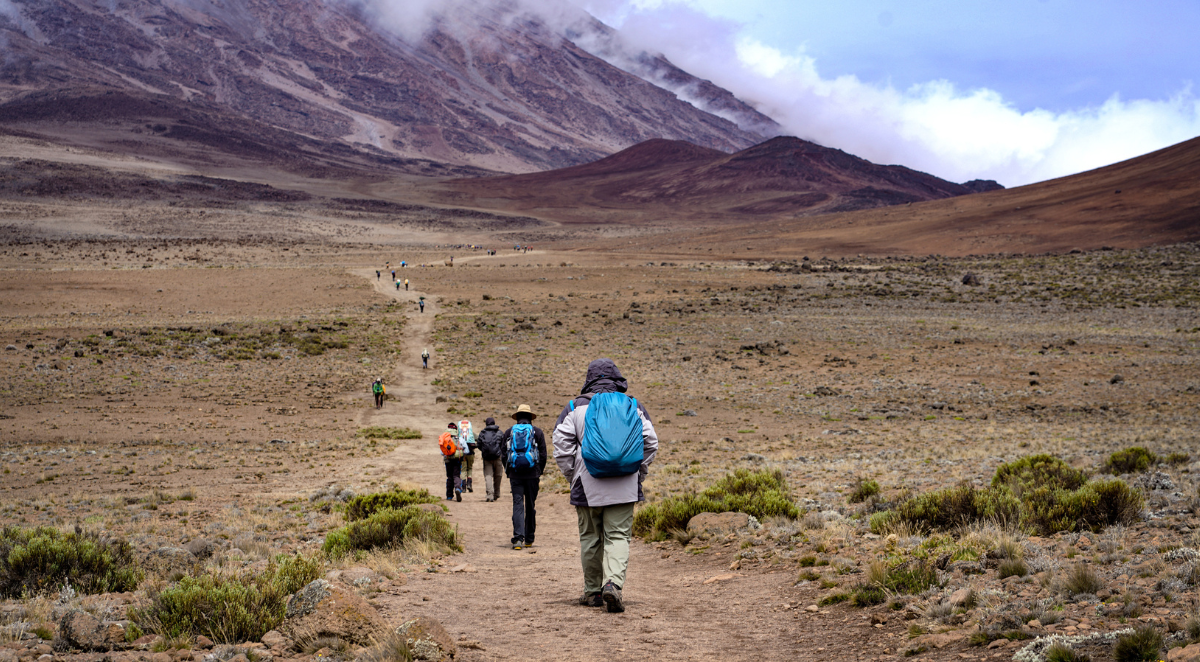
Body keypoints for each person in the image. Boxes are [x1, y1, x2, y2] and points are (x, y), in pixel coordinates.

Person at [553, 359, 657, 613]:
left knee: (590, 538)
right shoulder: (633, 405)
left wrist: (573, 475)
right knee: (618, 536)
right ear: (617, 379)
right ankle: (612, 584)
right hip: (624, 484)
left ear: (589, 379)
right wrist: (637, 473)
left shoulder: (574, 407)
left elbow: (561, 445)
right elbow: (651, 442)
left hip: (587, 484)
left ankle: (592, 592)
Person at [500, 404, 546, 550]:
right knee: (530, 505)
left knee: (518, 505)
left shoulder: (509, 432)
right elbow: (544, 455)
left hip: (515, 474)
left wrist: (509, 471)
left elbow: (503, 454)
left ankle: (518, 539)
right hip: (533, 475)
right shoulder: (537, 432)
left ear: (517, 417)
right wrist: (540, 471)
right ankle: (529, 539)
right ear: (530, 418)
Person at [476, 417, 504, 502]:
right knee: (498, 475)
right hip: (497, 457)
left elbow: (479, 445)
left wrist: (484, 452)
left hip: (487, 458)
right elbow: (503, 445)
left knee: (488, 476)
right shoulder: (499, 432)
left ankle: (490, 494)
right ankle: (497, 493)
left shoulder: (482, 433)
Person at [439, 422, 464, 501]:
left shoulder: (445, 438)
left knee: (449, 477)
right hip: (457, 460)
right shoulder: (459, 438)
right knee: (456, 475)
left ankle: (449, 496)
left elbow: (441, 452)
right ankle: (458, 488)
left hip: (448, 461)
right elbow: (465, 449)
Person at [458, 418, 476, 493]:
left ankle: (463, 487)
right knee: (470, 468)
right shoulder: (472, 434)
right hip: (471, 453)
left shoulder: (458, 434)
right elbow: (478, 439)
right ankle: (469, 484)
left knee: (463, 469)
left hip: (463, 454)